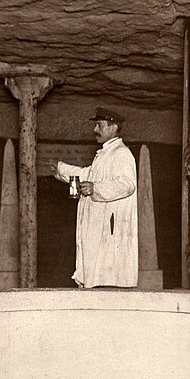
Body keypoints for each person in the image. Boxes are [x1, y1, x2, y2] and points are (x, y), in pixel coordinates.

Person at [51, 108, 138, 288]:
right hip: (97, 226)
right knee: (95, 272)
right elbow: (86, 174)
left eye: (99, 125)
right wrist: (60, 169)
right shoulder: (106, 154)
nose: (95, 130)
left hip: (109, 227)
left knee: (107, 274)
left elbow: (127, 184)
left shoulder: (122, 154)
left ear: (114, 127)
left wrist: (95, 188)